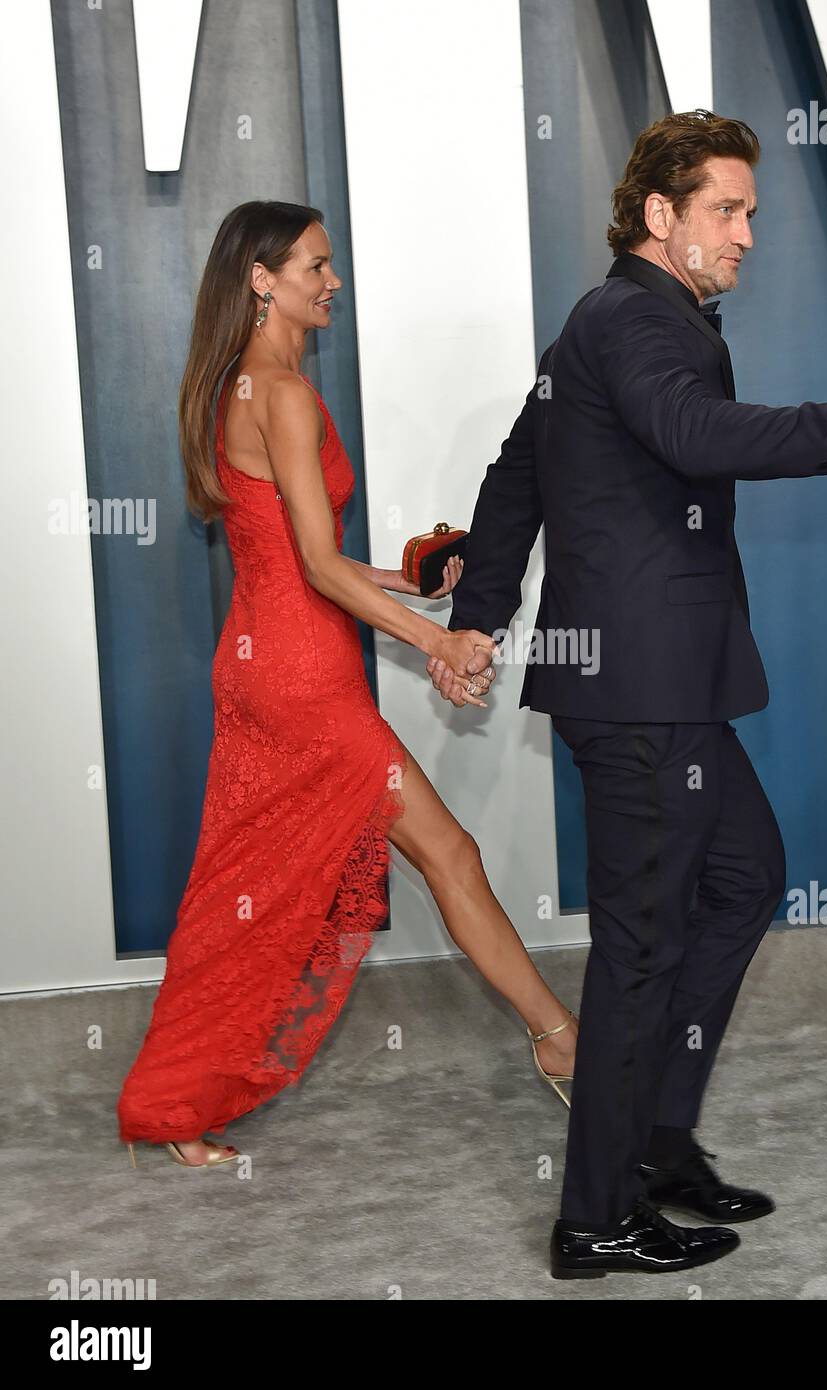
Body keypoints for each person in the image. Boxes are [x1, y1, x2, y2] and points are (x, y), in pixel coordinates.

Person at [435, 110, 827, 1278]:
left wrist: (479, 614)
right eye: (727, 210)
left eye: (752, 211)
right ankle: (592, 1216)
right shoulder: (635, 320)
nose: (747, 232)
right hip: (637, 688)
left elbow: (515, 471)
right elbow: (693, 433)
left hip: (654, 681)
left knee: (742, 877)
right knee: (639, 946)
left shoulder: (611, 322)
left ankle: (654, 1140)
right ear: (659, 214)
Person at [117, 201, 578, 1169]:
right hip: (304, 680)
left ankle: (172, 1102)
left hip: (261, 669)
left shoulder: (234, 386)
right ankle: (560, 1038)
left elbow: (300, 556)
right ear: (263, 279)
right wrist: (439, 645)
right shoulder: (280, 391)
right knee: (445, 851)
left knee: (242, 889)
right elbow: (317, 571)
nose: (333, 282)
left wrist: (406, 581)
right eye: (317, 267)